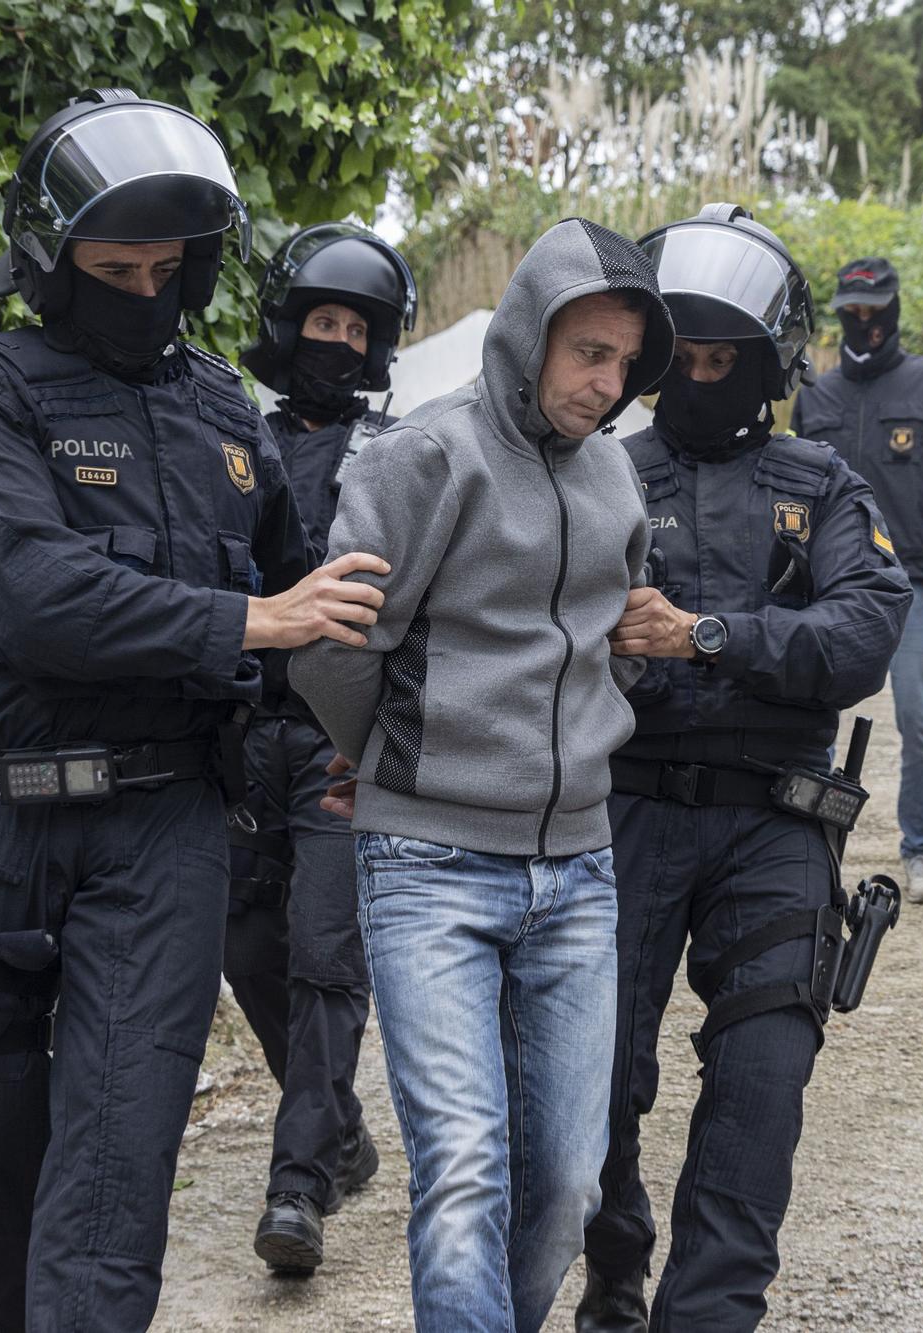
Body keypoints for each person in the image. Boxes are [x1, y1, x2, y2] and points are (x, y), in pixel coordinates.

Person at [0, 89, 387, 1330]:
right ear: (48, 261)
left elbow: (314, 613)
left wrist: (369, 742)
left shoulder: (232, 415)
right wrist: (246, 621)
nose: (141, 291)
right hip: (0, 823)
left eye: (162, 269)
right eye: (111, 267)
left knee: (117, 1178)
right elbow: (35, 598)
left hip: (166, 825)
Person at [288, 218, 674, 1332]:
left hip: (579, 871)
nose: (603, 385)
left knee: (563, 1182)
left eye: (620, 362)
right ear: (526, 336)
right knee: (463, 1167)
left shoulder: (615, 478)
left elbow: (613, 641)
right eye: (584, 353)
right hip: (428, 864)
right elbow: (331, 642)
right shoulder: (425, 454)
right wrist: (393, 761)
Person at [577, 206, 912, 1332]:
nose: (706, 375)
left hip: (778, 826)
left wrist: (707, 635)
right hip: (619, 815)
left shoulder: (819, 483)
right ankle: (611, 1274)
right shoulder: (597, 475)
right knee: (595, 1085)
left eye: (728, 358)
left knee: (760, 1087)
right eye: (690, 356)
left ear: (765, 364)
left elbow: (862, 637)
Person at [225, 223, 418, 1273]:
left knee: (323, 953)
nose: (336, 340)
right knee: (245, 944)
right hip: (240, 736)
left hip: (340, 741)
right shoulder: (235, 438)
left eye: (356, 326)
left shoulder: (398, 451)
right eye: (321, 319)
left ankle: (296, 1184)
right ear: (287, 324)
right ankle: (339, 1132)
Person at [789, 257, 923, 905]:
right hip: (826, 583)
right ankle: (797, 843)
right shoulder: (814, 393)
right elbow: (788, 480)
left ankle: (920, 850)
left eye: (878, 310)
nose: (866, 322)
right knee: (803, 711)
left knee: (920, 718)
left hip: (912, 581)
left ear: (896, 309)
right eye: (854, 310)